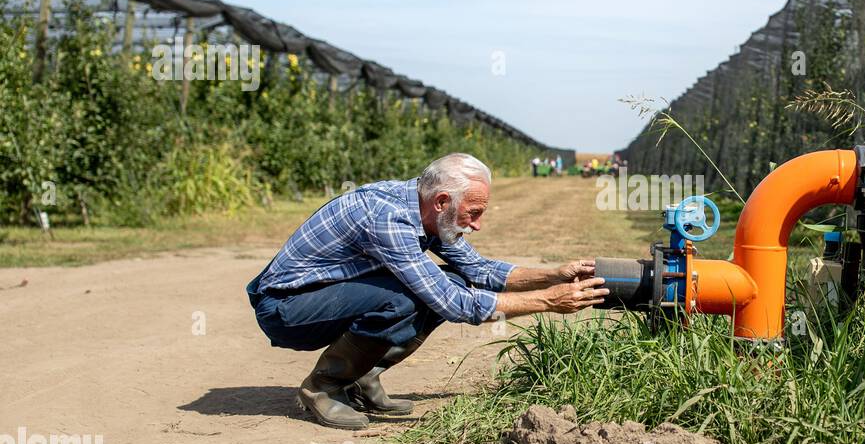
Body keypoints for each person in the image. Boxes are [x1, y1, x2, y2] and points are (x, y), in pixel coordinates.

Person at [246, 153, 607, 429]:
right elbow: (453, 304)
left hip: (322, 294)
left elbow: (478, 271)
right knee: (408, 295)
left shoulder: (428, 208)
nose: (477, 225)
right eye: (474, 212)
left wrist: (553, 276)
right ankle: (323, 386)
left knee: (443, 281)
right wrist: (547, 301)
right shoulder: (388, 217)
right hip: (287, 307)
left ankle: (360, 376)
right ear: (442, 201)